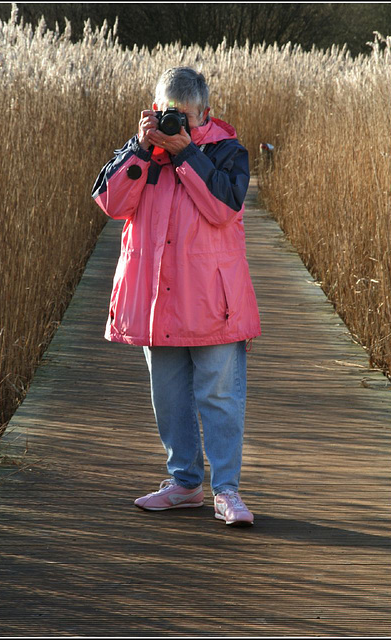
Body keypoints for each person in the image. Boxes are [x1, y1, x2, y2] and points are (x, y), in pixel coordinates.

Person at [92, 67, 261, 526]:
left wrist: (186, 154)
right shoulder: (141, 155)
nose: (176, 126)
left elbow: (224, 207)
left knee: (220, 396)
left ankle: (227, 490)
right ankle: (185, 484)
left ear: (206, 113)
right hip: (158, 302)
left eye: (185, 118)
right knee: (169, 398)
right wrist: (141, 150)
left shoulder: (227, 151)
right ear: (154, 110)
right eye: (169, 116)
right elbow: (110, 204)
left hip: (214, 301)